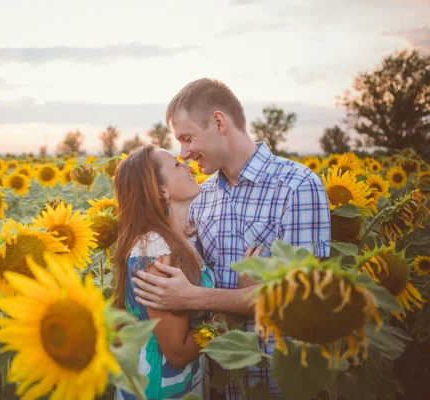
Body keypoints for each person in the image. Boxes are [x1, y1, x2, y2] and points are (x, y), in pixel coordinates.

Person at [131, 78, 332, 399]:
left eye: (187, 138)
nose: (183, 152)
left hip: (279, 378)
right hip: (217, 382)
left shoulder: (296, 186)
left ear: (219, 123)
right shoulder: (201, 197)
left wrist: (192, 297)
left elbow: (296, 299)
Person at [113, 144, 262, 400]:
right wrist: (238, 301)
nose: (187, 164)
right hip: (161, 387)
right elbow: (178, 352)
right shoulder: (156, 251)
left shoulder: (178, 241)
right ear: (162, 190)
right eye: (176, 164)